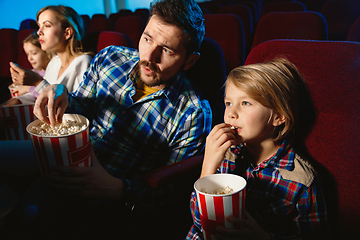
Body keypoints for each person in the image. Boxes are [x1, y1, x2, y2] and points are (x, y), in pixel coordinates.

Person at [2, 0, 211, 238]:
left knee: (26, 218)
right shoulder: (110, 58)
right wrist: (63, 94)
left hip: (112, 193)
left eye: (168, 50)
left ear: (190, 61)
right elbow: (83, 107)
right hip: (70, 157)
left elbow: (174, 190)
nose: (150, 56)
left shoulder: (193, 113)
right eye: (147, 38)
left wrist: (117, 189)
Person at [186, 59, 330, 239]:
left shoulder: (302, 181)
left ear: (278, 117)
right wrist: (208, 167)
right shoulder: (225, 155)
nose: (231, 113)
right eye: (228, 103)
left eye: (245, 103)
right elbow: (199, 222)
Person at [2, 5, 93, 107]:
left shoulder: (83, 61)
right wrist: (18, 101)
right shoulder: (55, 62)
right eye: (39, 26)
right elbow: (39, 95)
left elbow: (79, 108)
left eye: (47, 25)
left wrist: (38, 83)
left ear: (67, 33)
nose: (39, 32)